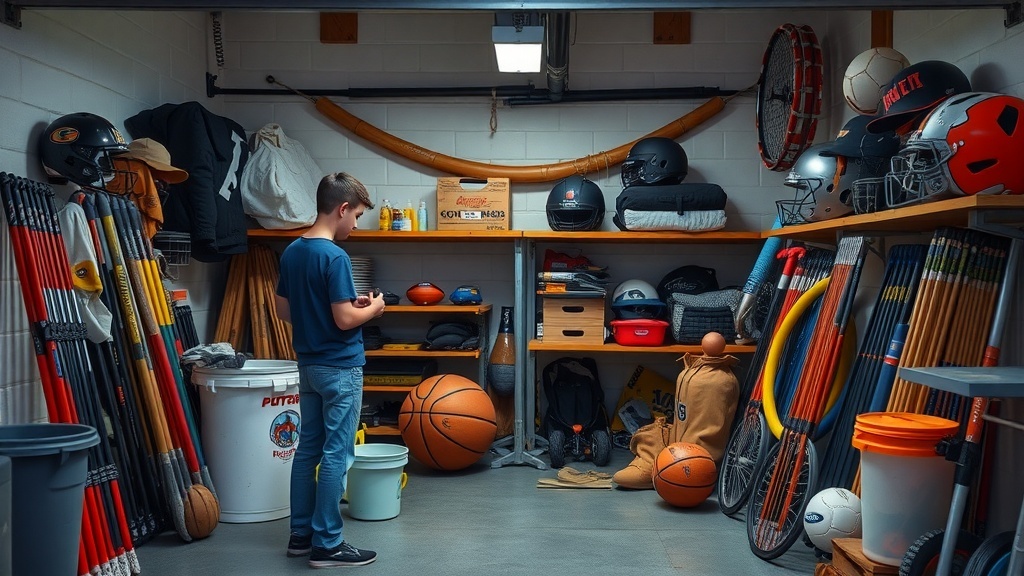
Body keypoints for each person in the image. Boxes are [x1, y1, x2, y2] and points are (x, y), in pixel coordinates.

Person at [275, 172, 385, 568]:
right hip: (340, 368)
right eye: (355, 215)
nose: (355, 224)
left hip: (308, 366)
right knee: (338, 452)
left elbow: (284, 311)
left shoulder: (292, 252)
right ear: (341, 209)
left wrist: (339, 302)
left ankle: (300, 537)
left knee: (306, 451)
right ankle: (328, 545)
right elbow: (343, 321)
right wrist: (372, 308)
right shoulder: (335, 256)